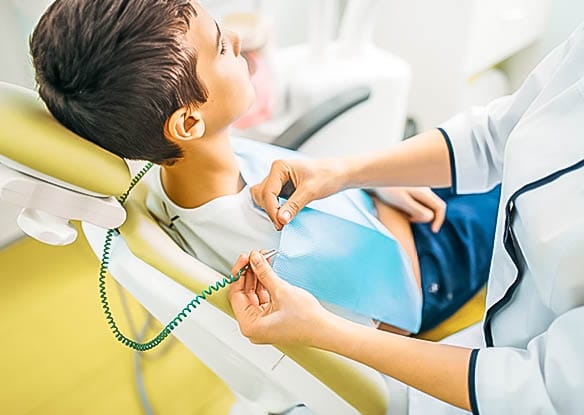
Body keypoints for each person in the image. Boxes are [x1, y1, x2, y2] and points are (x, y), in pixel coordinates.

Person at [29, 0, 499, 333]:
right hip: (428, 264)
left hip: (373, 206)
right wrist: (379, 190)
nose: (235, 37)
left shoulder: (171, 175)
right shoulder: (268, 247)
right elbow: (386, 325)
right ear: (189, 121)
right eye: (221, 48)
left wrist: (373, 181)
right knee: (512, 176)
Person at [229, 21, 584, 415]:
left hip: (506, 375)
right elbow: (495, 134)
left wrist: (323, 331)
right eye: (217, 46)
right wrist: (348, 174)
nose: (236, 39)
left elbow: (542, 389)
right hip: (463, 268)